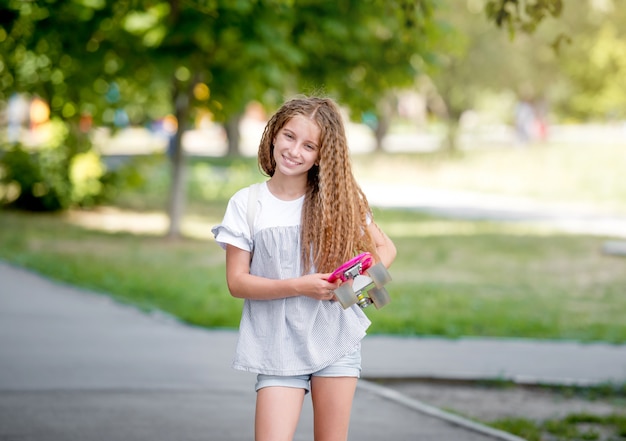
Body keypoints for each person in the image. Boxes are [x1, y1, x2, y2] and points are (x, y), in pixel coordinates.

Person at [211, 96, 396, 441]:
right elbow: (237, 283)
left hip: (334, 340)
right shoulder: (247, 203)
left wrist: (348, 290)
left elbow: (386, 251)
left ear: (322, 155)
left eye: (309, 145)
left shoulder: (338, 202)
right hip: (276, 344)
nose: (295, 151)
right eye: (289, 137)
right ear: (273, 135)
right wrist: (300, 286)